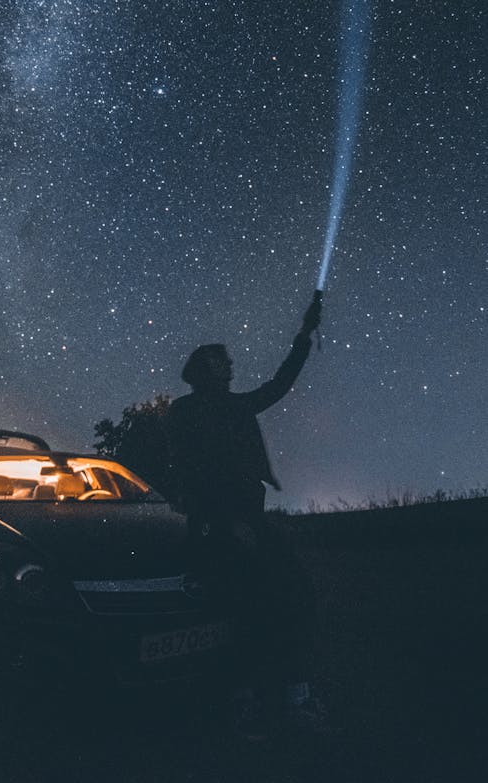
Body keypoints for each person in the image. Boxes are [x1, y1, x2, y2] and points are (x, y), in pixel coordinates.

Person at [165, 292, 327, 738]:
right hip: (219, 522)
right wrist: (226, 522)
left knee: (284, 596)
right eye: (224, 362)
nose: (231, 367)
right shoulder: (187, 412)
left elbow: (279, 385)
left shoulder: (230, 405)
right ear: (204, 369)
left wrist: (304, 334)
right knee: (240, 609)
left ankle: (282, 696)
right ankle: (253, 702)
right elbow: (192, 471)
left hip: (245, 518)